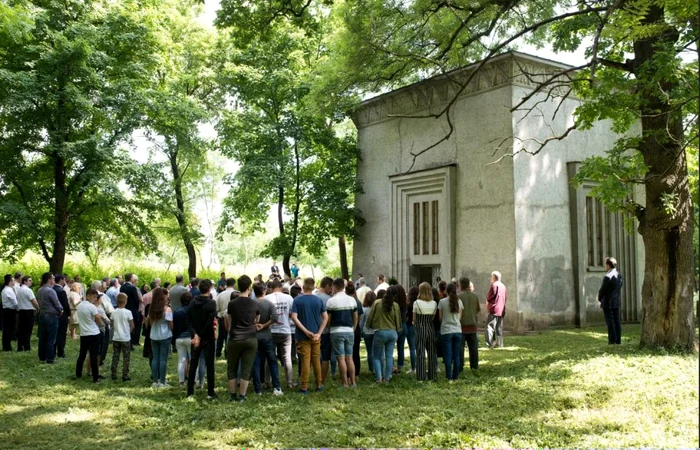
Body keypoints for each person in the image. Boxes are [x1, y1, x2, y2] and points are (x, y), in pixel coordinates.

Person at [225, 275, 259, 402]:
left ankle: (233, 395)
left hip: (235, 338)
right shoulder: (254, 304)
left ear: (238, 287)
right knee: (246, 368)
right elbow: (257, 320)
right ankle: (242, 396)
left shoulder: (232, 304)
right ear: (249, 287)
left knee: (232, 367)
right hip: (251, 338)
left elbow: (229, 321)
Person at [291, 277, 328, 395]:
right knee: (316, 360)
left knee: (305, 361)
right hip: (316, 336)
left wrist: (305, 331)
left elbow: (294, 317)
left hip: (303, 336)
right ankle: (319, 384)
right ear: (313, 286)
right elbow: (325, 318)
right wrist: (319, 333)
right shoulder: (318, 301)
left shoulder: (297, 300)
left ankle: (304, 387)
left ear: (303, 287)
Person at [187, 279, 218, 399]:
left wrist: (195, 334)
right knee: (210, 365)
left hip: (195, 337)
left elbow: (188, 321)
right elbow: (210, 322)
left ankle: (190, 391)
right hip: (207, 337)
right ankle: (210, 392)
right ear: (210, 289)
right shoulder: (211, 303)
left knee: (193, 363)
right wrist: (199, 335)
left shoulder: (192, 302)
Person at [366, 285, 403, 383]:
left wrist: (368, 326)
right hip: (392, 333)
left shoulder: (377, 303)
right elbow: (398, 320)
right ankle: (387, 378)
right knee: (389, 356)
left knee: (377, 357)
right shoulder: (395, 305)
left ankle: (378, 378)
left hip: (380, 332)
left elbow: (370, 316)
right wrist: (398, 330)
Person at [326, 278, 358, 387]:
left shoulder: (331, 301)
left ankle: (344, 383)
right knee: (350, 357)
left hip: (336, 331)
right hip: (349, 331)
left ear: (334, 287)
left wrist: (330, 328)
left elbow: (328, 319)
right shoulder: (351, 300)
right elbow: (356, 316)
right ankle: (353, 382)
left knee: (341, 358)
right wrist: (353, 328)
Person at [251, 283, 282, 396]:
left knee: (256, 362)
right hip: (267, 336)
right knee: (272, 361)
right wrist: (264, 325)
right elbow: (275, 317)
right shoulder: (269, 304)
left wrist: (255, 325)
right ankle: (277, 387)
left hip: (254, 336)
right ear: (264, 291)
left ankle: (257, 389)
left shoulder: (251, 304)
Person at [266, 280, 295, 388]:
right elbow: (292, 314)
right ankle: (289, 382)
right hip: (285, 331)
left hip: (271, 331)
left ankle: (267, 381)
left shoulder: (267, 298)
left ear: (271, 288)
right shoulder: (288, 298)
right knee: (287, 358)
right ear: (281, 287)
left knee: (269, 357)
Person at [75, 288, 104, 382]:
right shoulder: (92, 307)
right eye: (94, 297)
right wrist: (101, 324)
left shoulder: (80, 306)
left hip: (84, 333)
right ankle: (95, 377)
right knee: (93, 356)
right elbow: (97, 318)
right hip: (94, 333)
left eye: (96, 297)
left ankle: (78, 373)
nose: (95, 299)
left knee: (82, 354)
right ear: (88, 296)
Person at [149, 288, 173, 387]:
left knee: (155, 358)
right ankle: (162, 381)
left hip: (154, 335)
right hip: (165, 335)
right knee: (163, 359)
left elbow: (150, 323)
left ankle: (155, 381)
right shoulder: (167, 309)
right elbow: (171, 325)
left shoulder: (151, 308)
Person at [439, 283, 464, 380]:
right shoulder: (459, 302)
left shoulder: (442, 302)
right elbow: (460, 317)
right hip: (457, 330)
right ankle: (456, 376)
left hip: (446, 330)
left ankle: (449, 376)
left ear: (446, 291)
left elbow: (440, 318)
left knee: (448, 355)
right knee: (456, 354)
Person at [414, 282, 438, 381]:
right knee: (432, 352)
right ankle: (432, 375)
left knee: (420, 352)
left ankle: (421, 376)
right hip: (430, 327)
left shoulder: (416, 303)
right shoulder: (434, 303)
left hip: (420, 327)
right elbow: (432, 317)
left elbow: (414, 319)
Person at [37, 273, 62, 363]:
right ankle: (50, 358)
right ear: (49, 279)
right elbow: (57, 303)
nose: (54, 280)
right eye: (53, 278)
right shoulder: (50, 291)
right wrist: (61, 310)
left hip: (42, 315)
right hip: (51, 315)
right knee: (51, 338)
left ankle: (42, 356)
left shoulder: (40, 290)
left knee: (43, 337)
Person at [598, 257, 623, 345]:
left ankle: (612, 340)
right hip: (616, 301)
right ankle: (618, 340)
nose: (605, 266)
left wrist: (600, 298)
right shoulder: (619, 275)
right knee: (616, 320)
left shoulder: (608, 276)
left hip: (608, 302)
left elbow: (602, 290)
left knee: (610, 321)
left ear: (608, 265)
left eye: (605, 264)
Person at [457, 277, 480, 370]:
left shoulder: (458, 296)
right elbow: (478, 309)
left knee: (460, 348)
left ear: (460, 285)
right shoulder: (475, 296)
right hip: (472, 324)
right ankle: (474, 366)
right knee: (473, 348)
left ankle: (460, 366)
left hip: (461, 325)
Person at [111, 293, 134, 381]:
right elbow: (132, 325)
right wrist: (128, 332)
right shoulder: (128, 312)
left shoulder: (113, 312)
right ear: (125, 301)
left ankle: (113, 373)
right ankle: (125, 375)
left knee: (115, 356)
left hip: (116, 337)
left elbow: (112, 323)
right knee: (126, 357)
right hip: (125, 338)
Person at [316, 276, 334, 384]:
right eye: (330, 288)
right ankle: (322, 380)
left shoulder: (313, 297)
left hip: (313, 331)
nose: (331, 290)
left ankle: (316, 377)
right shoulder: (329, 299)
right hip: (326, 331)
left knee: (316, 355)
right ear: (327, 286)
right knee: (326, 356)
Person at [173, 292, 194, 386]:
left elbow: (174, 326)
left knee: (181, 360)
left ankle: (181, 381)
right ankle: (193, 380)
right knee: (193, 359)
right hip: (190, 337)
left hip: (179, 337)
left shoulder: (177, 311)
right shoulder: (193, 310)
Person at [395, 284, 415, 374]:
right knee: (404, 347)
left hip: (397, 325)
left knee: (395, 348)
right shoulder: (405, 304)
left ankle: (396, 366)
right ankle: (403, 366)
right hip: (405, 326)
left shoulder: (394, 304)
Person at [485, 271, 507, 349]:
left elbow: (489, 297)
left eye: (491, 277)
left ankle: (490, 343)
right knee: (499, 327)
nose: (491, 278)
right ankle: (500, 343)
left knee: (490, 327)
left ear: (494, 277)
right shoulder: (503, 286)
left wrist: (487, 304)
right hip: (501, 309)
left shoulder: (494, 285)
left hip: (494, 309)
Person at [216, 277, 237, 358]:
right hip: (233, 319)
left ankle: (218, 352)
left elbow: (217, 308)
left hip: (222, 317)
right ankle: (228, 353)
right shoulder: (236, 293)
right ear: (234, 284)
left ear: (226, 284)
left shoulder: (220, 294)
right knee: (230, 336)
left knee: (220, 337)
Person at [16, 275, 39, 352]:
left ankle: (20, 346)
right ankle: (26, 346)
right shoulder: (28, 290)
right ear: (24, 281)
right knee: (28, 330)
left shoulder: (19, 290)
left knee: (21, 329)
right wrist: (38, 308)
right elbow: (33, 301)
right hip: (28, 311)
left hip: (21, 311)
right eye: (29, 280)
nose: (31, 282)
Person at [120, 273, 142, 347]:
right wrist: (136, 308)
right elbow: (136, 300)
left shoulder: (122, 287)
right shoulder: (132, 288)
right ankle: (130, 343)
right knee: (132, 326)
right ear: (131, 278)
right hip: (132, 309)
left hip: (123, 308)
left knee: (124, 326)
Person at [54, 275, 71, 358]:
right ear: (61, 280)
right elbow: (65, 305)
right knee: (61, 334)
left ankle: (53, 350)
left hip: (53, 314)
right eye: (64, 279)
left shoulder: (52, 289)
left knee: (54, 333)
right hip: (62, 314)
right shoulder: (61, 291)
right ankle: (60, 352)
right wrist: (69, 313)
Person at [360, 291, 377, 375]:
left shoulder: (364, 310)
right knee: (376, 351)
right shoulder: (377, 309)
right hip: (376, 332)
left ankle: (371, 368)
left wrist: (360, 332)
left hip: (367, 332)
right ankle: (377, 368)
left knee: (369, 351)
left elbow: (361, 322)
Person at [1, 274, 17, 351]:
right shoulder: (8, 290)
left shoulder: (6, 289)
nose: (14, 282)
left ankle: (6, 345)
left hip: (7, 311)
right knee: (9, 329)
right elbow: (15, 303)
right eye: (13, 280)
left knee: (7, 329)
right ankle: (7, 346)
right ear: (10, 281)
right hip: (9, 311)